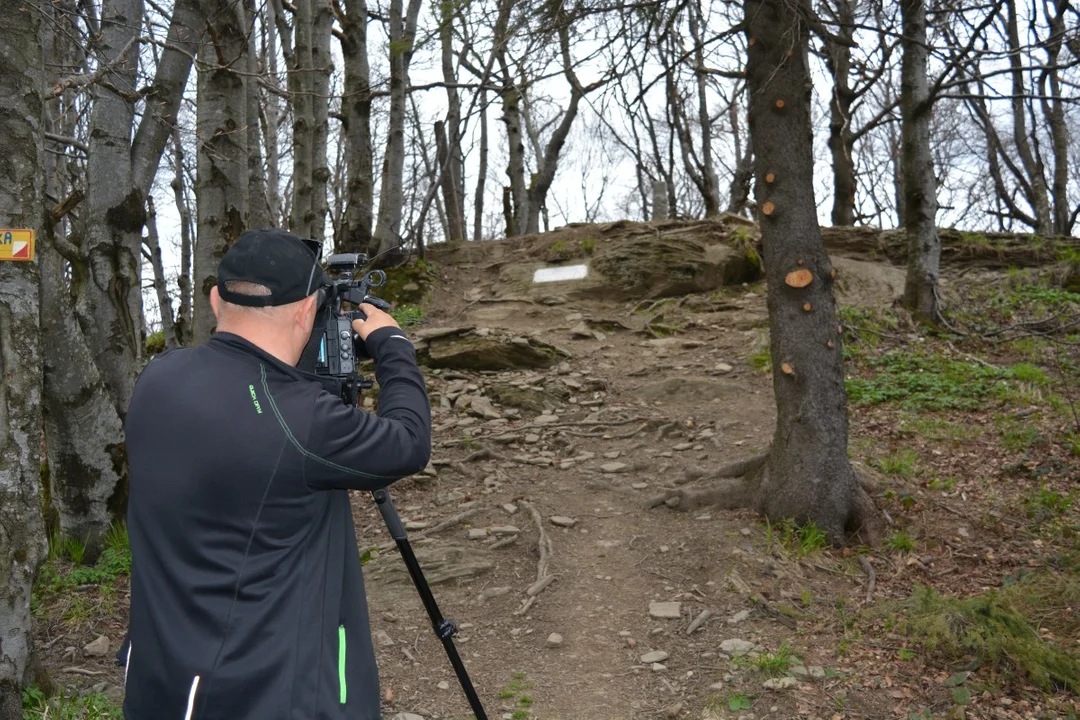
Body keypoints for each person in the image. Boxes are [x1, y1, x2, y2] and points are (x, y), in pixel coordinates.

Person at [121, 229, 431, 720]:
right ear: (308, 310)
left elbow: (250, 401)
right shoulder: (303, 419)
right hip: (264, 694)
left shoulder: (158, 378)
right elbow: (409, 443)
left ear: (215, 300)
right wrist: (392, 343)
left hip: (165, 681)